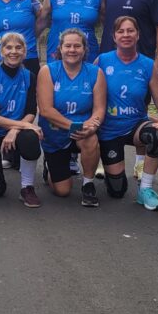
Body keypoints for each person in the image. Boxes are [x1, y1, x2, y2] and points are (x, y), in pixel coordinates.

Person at [100, 0, 158, 180]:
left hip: (140, 63)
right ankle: (105, 159)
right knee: (103, 108)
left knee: (138, 111)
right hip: (110, 62)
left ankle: (140, 164)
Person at [96, 16, 158, 212]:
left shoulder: (147, 65)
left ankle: (146, 189)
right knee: (117, 191)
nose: (126, 35)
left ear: (138, 35)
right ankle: (111, 172)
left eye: (130, 31)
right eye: (121, 31)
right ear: (114, 37)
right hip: (109, 129)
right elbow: (90, 93)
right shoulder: (103, 61)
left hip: (136, 126)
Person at [36, 28, 106, 207]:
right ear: (60, 48)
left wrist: (93, 125)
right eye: (68, 46)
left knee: (91, 139)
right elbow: (45, 110)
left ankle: (88, 184)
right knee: (62, 191)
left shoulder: (95, 72)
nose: (72, 50)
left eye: (77, 46)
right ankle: (50, 167)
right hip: (56, 132)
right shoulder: (47, 71)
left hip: (82, 131)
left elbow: (99, 109)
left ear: (84, 49)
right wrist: (74, 126)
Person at [0, 32, 43, 207]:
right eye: (9, 47)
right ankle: (1, 166)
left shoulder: (30, 76)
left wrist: (14, 130)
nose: (14, 51)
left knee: (30, 139)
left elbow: (30, 110)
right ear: (1, 51)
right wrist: (20, 125)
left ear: (25, 52)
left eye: (18, 47)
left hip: (15, 129)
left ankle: (27, 187)